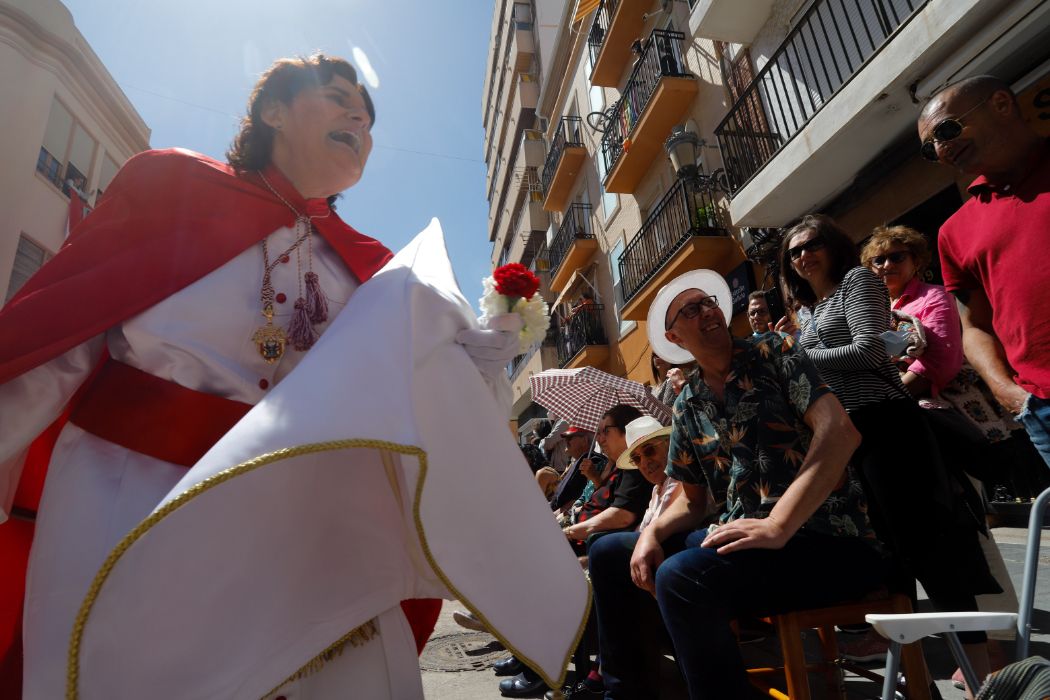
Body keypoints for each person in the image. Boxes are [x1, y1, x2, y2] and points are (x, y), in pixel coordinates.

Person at [0, 54, 528, 699]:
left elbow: (415, 394)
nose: (359, 117)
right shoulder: (173, 187)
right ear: (272, 111)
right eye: (337, 98)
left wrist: (482, 358)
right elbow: (61, 339)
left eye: (366, 116)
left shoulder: (375, 270)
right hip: (137, 498)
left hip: (311, 526)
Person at [589, 268, 885, 699]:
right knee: (611, 551)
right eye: (690, 309)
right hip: (745, 543)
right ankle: (626, 694)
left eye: (708, 301)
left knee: (681, 576)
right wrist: (650, 532)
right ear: (674, 338)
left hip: (827, 541)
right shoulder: (689, 401)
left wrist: (778, 523)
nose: (707, 310)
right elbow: (693, 502)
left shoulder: (774, 351)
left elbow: (840, 432)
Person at [782, 214, 999, 688]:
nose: (803, 255)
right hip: (849, 439)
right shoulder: (810, 311)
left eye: (811, 244)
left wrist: (795, 359)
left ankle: (983, 678)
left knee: (933, 550)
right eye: (794, 251)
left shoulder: (857, 281)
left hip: (889, 427)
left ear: (833, 245)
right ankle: (917, 680)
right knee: (890, 560)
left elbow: (869, 352)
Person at [918, 75, 1050, 467]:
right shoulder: (953, 232)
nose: (941, 148)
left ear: (1002, 104)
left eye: (946, 129)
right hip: (1041, 407)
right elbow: (973, 325)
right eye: (930, 147)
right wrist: (1006, 391)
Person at [616, 416, 680, 534]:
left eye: (649, 450)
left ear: (668, 444)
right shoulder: (657, 489)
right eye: (636, 459)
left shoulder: (680, 479)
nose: (644, 462)